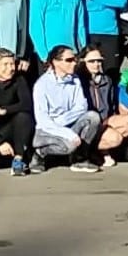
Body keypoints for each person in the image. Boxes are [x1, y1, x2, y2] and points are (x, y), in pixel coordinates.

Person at [31, 45, 103, 173]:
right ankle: (40, 152)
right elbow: (43, 120)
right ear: (55, 62)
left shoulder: (75, 80)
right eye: (69, 60)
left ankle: (79, 159)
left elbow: (82, 107)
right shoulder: (42, 84)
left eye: (74, 59)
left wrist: (63, 121)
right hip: (47, 130)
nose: (74, 63)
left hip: (66, 123)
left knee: (93, 117)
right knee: (69, 145)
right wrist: (67, 133)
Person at [78, 45, 128, 168]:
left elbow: (111, 105)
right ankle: (91, 151)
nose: (96, 64)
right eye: (91, 61)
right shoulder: (78, 81)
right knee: (115, 138)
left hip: (105, 119)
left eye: (99, 61)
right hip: (87, 123)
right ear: (83, 62)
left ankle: (99, 150)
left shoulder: (107, 80)